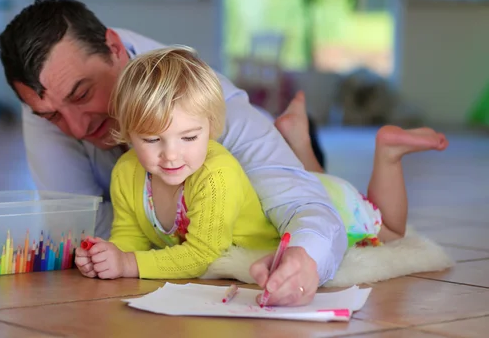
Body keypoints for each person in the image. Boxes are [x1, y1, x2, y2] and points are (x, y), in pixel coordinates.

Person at [0, 0, 344, 306]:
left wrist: (305, 259)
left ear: (115, 48)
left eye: (82, 95)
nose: (76, 129)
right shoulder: (46, 96)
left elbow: (308, 207)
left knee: (336, 196)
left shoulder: (218, 110)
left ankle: (297, 140)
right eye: (52, 116)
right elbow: (75, 222)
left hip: (263, 149)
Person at [74, 47, 449, 297]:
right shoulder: (126, 172)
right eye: (152, 140)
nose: (172, 155)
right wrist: (110, 253)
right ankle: (298, 141)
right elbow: (129, 234)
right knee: (312, 176)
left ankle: (388, 153)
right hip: (281, 193)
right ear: (125, 132)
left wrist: (128, 265)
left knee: (392, 232)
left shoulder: (215, 174)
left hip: (334, 203)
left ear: (212, 127)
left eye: (189, 137)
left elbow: (201, 255)